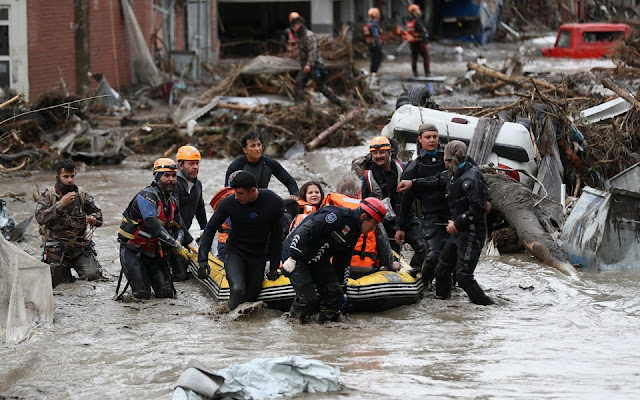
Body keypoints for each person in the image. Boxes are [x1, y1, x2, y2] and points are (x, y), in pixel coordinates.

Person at [281, 197, 386, 323]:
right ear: (363, 216)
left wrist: (342, 288)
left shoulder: (354, 232)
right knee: (308, 299)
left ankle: (325, 326)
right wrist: (292, 256)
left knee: (335, 294)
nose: (373, 229)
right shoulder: (337, 216)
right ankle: (292, 323)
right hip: (296, 253)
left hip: (318, 257)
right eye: (374, 223)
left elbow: (342, 261)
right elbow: (306, 229)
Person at [198, 171, 284, 311]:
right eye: (235, 192)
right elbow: (210, 230)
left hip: (258, 256)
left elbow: (276, 236)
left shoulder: (274, 202)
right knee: (237, 289)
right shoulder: (229, 203)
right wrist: (203, 260)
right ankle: (225, 322)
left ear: (253, 190)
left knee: (251, 299)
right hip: (235, 252)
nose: (236, 197)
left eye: (240, 193)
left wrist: (274, 266)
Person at [117, 158, 192, 300]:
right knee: (142, 296)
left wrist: (178, 242)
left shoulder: (172, 201)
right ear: (157, 177)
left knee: (167, 295)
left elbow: (180, 227)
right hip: (134, 252)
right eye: (166, 175)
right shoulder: (146, 196)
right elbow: (153, 226)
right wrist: (175, 245)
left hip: (155, 253)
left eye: (174, 176)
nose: (171, 179)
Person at [433, 141, 493, 305]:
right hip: (456, 231)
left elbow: (479, 209)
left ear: (448, 159)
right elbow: (436, 180)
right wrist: (413, 183)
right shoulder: (452, 174)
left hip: (471, 232)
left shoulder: (471, 177)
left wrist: (457, 224)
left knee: (464, 277)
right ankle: (443, 306)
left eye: (445, 159)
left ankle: (488, 307)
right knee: (442, 270)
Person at [35, 159, 104, 287]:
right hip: (56, 249)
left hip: (80, 247)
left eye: (72, 176)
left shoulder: (81, 194)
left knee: (94, 277)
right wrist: (60, 205)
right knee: (58, 286)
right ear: (58, 177)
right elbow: (40, 217)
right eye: (65, 176)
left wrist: (93, 219)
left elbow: (99, 216)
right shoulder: (48, 195)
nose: (70, 180)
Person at [396, 123, 449, 288]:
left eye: (435, 136)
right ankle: (424, 282)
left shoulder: (449, 159)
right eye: (428, 137)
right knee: (433, 256)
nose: (432, 140)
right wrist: (400, 226)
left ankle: (447, 290)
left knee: (453, 258)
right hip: (431, 216)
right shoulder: (414, 167)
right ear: (419, 139)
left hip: (453, 214)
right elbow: (406, 201)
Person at [362, 136, 426, 269]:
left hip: (407, 219)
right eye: (375, 153)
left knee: (423, 247)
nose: (379, 156)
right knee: (392, 258)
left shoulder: (404, 169)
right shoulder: (366, 178)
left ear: (389, 152)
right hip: (385, 225)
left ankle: (416, 271)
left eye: (382, 152)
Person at [324, 174, 395, 279]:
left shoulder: (330, 210)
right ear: (358, 194)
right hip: (364, 267)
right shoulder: (371, 212)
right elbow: (383, 244)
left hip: (333, 266)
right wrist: (391, 265)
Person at [225, 131, 299, 198]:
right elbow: (227, 191)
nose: (257, 149)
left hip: (262, 201)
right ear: (245, 150)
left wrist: (294, 195)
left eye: (259, 145)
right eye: (253, 146)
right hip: (242, 203)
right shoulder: (236, 166)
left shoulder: (269, 163)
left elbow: (289, 181)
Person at [171, 145, 207, 281]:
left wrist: (206, 230)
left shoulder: (198, 185)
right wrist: (190, 240)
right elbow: (176, 216)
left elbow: (200, 209)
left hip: (183, 233)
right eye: (191, 164)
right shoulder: (174, 184)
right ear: (180, 165)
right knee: (180, 276)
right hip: (171, 234)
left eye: (197, 164)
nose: (196, 167)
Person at [291, 16, 345, 107]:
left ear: (299, 25)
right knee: (299, 83)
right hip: (305, 66)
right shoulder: (301, 36)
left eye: (295, 26)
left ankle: (339, 103)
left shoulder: (309, 36)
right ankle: (298, 104)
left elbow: (313, 52)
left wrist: (309, 64)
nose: (294, 29)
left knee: (321, 87)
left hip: (314, 66)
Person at [406, 4, 431, 77]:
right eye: (418, 10)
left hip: (412, 43)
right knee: (426, 57)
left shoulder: (409, 21)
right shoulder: (417, 21)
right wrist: (427, 43)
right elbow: (422, 32)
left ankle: (415, 74)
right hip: (419, 42)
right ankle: (427, 73)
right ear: (414, 12)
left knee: (414, 58)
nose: (420, 11)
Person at [364, 8, 383, 76]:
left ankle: (372, 72)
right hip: (375, 45)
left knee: (373, 59)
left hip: (370, 44)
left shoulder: (369, 24)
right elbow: (375, 36)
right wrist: (379, 45)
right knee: (376, 59)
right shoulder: (374, 25)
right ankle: (374, 73)